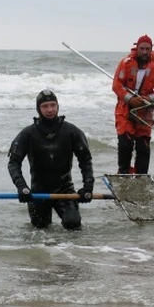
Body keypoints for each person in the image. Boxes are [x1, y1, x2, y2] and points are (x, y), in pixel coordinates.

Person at [7, 90, 94, 231]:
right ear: (38, 109)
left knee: (73, 226)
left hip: (65, 190)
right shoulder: (27, 134)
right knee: (40, 233)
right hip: (38, 192)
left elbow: (85, 160)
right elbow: (13, 163)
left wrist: (88, 187)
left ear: (58, 106)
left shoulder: (72, 131)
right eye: (45, 106)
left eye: (53, 105)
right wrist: (22, 187)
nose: (50, 110)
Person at [112, 34, 154, 174]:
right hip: (125, 110)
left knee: (143, 147)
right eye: (142, 48)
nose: (144, 52)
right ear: (137, 48)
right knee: (125, 144)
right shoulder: (126, 63)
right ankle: (123, 173)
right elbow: (116, 85)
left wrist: (149, 99)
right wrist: (130, 99)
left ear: (151, 49)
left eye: (147, 49)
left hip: (145, 111)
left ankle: (141, 176)